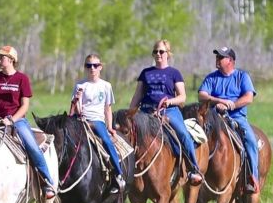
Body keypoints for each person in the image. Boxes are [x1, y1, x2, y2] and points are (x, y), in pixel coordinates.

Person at [0, 45, 56, 198]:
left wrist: (11, 120)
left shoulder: (22, 79)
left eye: (1, 57)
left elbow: (24, 106)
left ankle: (47, 182)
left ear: (11, 60)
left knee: (32, 147)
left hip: (17, 121)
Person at [129, 39, 203, 186]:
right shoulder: (145, 73)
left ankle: (193, 169)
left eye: (161, 51)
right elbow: (137, 96)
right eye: (155, 51)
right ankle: (124, 170)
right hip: (146, 111)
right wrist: (130, 113)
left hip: (169, 110)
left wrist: (169, 101)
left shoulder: (174, 73)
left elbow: (182, 97)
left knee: (182, 134)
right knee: (128, 133)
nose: (158, 54)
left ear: (168, 54)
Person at [198, 46, 259, 193]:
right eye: (217, 57)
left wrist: (232, 106)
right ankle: (193, 173)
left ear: (230, 60)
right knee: (196, 137)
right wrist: (218, 100)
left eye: (221, 57)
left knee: (250, 141)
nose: (217, 60)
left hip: (237, 117)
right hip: (214, 117)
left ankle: (252, 178)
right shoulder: (211, 78)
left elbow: (248, 97)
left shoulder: (242, 76)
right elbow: (202, 95)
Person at [70, 53, 126, 193]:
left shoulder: (106, 86)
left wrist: (109, 127)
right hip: (81, 120)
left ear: (100, 67)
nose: (92, 68)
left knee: (107, 142)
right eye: (89, 65)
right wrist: (78, 100)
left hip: (97, 120)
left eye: (95, 65)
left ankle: (118, 174)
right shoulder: (80, 85)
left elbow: (108, 108)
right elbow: (75, 109)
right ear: (85, 67)